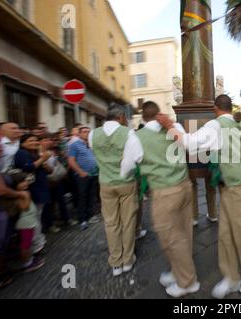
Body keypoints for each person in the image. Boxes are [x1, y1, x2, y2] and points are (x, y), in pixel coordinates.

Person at [157, 95, 241, 299]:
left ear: (215, 108)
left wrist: (170, 125)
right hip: (236, 188)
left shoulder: (215, 126)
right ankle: (231, 277)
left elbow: (189, 144)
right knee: (226, 235)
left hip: (240, 189)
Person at [123, 101, 199, 298]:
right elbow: (187, 145)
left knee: (171, 238)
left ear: (142, 117)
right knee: (184, 232)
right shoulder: (175, 127)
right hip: (184, 185)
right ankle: (178, 271)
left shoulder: (136, 137)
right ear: (159, 114)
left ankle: (187, 281)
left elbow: (126, 168)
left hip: (165, 192)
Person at [89, 105, 140, 277]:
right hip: (125, 182)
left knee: (111, 223)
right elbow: (138, 157)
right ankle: (127, 260)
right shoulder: (128, 133)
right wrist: (125, 171)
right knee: (128, 221)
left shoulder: (92, 134)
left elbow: (95, 155)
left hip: (105, 182)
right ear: (120, 117)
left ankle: (116, 262)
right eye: (125, 117)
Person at [0, 136, 31, 289]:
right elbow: (1, 190)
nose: (0, 148)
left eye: (0, 145)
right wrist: (20, 194)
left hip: (2, 210)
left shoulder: (0, 163)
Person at [14, 134, 52, 254]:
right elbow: (28, 168)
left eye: (36, 140)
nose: (35, 142)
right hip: (33, 190)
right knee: (34, 219)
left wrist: (44, 162)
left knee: (38, 216)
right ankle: (35, 247)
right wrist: (42, 159)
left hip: (40, 188)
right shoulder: (22, 153)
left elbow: (47, 170)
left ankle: (39, 242)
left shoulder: (35, 153)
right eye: (30, 140)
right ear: (23, 143)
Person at [68, 127, 100, 230]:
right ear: (79, 134)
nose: (87, 133)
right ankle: (82, 220)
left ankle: (91, 216)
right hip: (82, 176)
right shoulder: (74, 145)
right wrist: (81, 172)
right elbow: (71, 161)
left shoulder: (91, 144)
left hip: (94, 174)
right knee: (82, 197)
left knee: (92, 196)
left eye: (88, 131)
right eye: (84, 132)